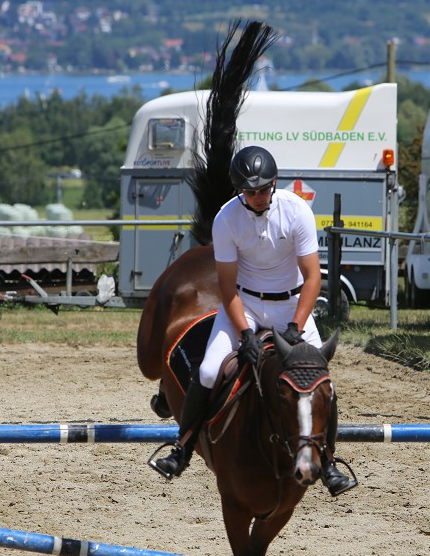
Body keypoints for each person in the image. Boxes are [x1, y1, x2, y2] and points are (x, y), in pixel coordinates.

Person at [148, 145, 357, 497]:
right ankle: (181, 448)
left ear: (274, 184)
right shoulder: (227, 219)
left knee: (324, 382)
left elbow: (312, 278)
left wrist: (295, 324)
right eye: (250, 191)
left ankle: (331, 462)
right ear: (239, 190)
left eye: (263, 189)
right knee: (210, 371)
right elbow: (226, 287)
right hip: (244, 304)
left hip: (292, 305)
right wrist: (245, 334)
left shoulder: (297, 211)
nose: (258, 197)